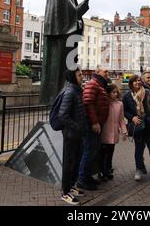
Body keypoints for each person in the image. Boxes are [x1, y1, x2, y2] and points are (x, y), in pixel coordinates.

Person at [40, 0, 91, 106]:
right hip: (60, 40)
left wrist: (85, 1)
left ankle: (66, 101)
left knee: (69, 71)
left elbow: (74, 14)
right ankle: (55, 103)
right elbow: (54, 19)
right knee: (59, 72)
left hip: (71, 39)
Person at [77, 66, 110, 191]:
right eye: (105, 71)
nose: (107, 73)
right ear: (97, 72)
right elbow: (88, 103)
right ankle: (82, 180)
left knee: (92, 152)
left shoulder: (99, 84)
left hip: (96, 125)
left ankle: (87, 176)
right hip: (91, 125)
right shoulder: (93, 84)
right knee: (88, 152)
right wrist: (95, 122)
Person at [123, 74, 150, 181]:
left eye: (139, 80)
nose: (137, 82)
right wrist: (132, 117)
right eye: (135, 81)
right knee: (138, 149)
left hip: (148, 125)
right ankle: (138, 169)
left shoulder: (147, 93)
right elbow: (124, 111)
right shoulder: (127, 96)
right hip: (137, 125)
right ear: (131, 83)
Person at [59, 68, 86, 205]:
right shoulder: (70, 92)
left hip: (77, 134)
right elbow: (63, 115)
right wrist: (77, 126)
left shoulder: (77, 90)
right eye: (79, 74)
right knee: (69, 164)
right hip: (71, 135)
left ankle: (71, 187)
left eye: (81, 74)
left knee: (75, 162)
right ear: (72, 77)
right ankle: (65, 192)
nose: (82, 76)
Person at [99, 84, 127, 181]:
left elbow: (121, 119)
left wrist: (124, 131)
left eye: (116, 92)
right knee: (103, 153)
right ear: (108, 93)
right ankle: (103, 171)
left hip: (114, 132)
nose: (115, 94)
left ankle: (108, 169)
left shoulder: (120, 104)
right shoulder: (104, 103)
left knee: (110, 152)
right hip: (104, 131)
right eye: (113, 92)